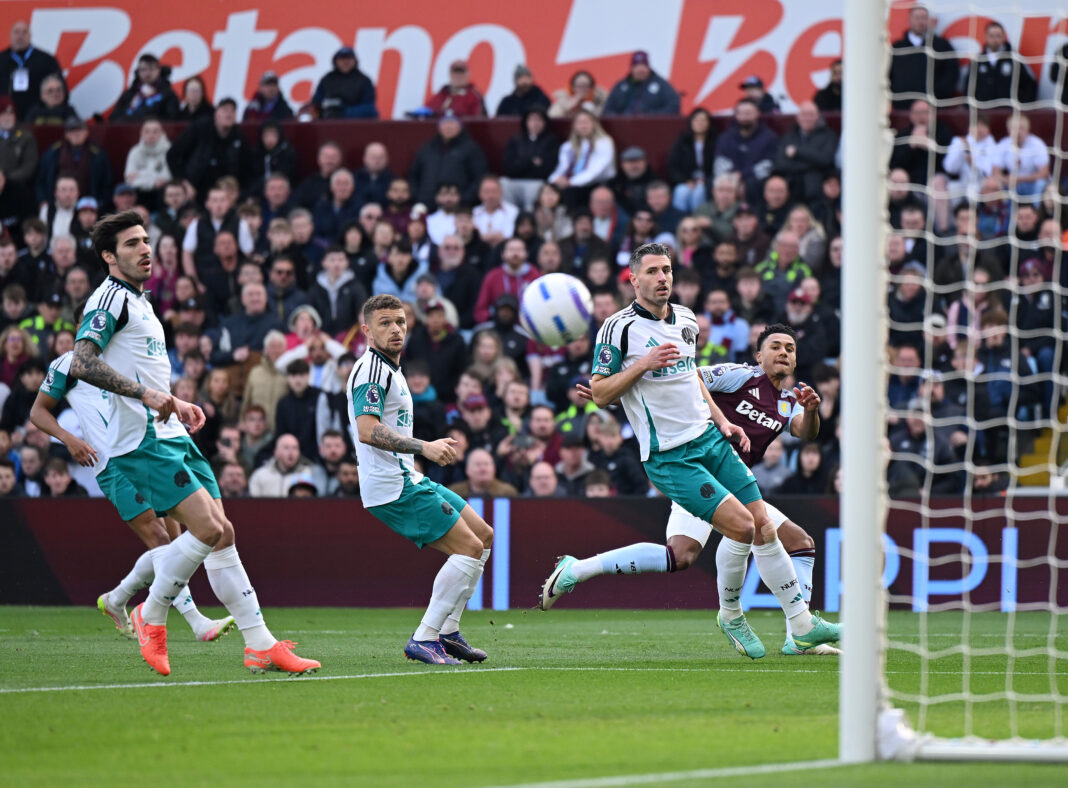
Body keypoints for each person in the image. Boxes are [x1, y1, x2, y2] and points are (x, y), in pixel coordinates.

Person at [539, 243, 841, 660]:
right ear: (634, 279)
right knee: (738, 530)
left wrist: (722, 421)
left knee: (762, 526)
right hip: (670, 455)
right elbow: (602, 393)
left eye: (667, 270)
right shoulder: (618, 328)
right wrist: (641, 366)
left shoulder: (686, 320)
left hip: (711, 441)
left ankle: (803, 628)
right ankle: (731, 615)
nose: (663, 277)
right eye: (653, 271)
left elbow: (691, 380)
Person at [68, 210, 318, 675]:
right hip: (141, 440)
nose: (145, 249)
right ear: (108, 256)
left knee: (222, 532)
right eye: (131, 244)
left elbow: (145, 371)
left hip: (170, 430)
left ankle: (259, 644)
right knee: (205, 530)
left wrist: (178, 402)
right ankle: (150, 612)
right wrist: (147, 395)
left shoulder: (139, 300)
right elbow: (82, 361)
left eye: (146, 240)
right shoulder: (107, 301)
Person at [30, 346, 235, 641]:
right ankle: (196, 622)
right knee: (160, 539)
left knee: (175, 543)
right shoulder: (68, 363)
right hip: (110, 462)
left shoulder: (124, 355)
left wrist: (179, 406)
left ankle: (117, 598)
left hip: (146, 451)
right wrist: (69, 439)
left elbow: (151, 393)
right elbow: (37, 411)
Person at [348, 293, 494, 665]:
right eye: (385, 323)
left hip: (405, 477)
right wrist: (422, 448)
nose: (396, 329)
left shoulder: (390, 367)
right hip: (392, 486)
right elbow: (367, 429)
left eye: (400, 321)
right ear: (366, 330)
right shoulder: (372, 371)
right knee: (469, 549)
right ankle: (425, 637)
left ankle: (449, 633)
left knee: (484, 536)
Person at [167, 98, 253, 198]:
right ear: (216, 113)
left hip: (226, 194)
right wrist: (184, 183)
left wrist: (240, 192)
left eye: (232, 111)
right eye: (225, 110)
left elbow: (247, 169)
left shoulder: (239, 136)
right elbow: (172, 155)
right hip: (196, 189)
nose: (229, 114)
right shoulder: (199, 128)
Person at [408, 113, 487, 207]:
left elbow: (480, 178)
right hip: (427, 205)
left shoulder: (471, 149)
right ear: (439, 127)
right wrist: (419, 197)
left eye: (452, 123)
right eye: (445, 123)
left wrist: (465, 199)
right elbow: (413, 176)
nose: (448, 127)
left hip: (459, 208)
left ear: (460, 127)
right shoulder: (427, 149)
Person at [888, 4, 958, 109]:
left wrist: (937, 94)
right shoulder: (896, 47)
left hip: (934, 109)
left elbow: (951, 74)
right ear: (909, 20)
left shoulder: (942, 46)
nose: (920, 22)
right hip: (901, 109)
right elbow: (888, 75)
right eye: (917, 18)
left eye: (924, 18)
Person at [548, 110, 616, 209]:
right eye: (579, 123)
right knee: (548, 189)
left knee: (570, 193)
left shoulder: (604, 143)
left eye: (586, 122)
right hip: (573, 183)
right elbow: (562, 168)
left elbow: (594, 171)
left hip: (599, 183)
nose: (583, 126)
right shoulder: (568, 146)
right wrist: (554, 179)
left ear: (594, 124)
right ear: (574, 126)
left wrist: (571, 182)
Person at [714, 99, 778, 203]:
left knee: (752, 185)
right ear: (736, 115)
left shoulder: (769, 138)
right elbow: (720, 163)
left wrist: (743, 176)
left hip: (756, 182)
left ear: (757, 114)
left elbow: (769, 165)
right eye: (741, 113)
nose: (744, 117)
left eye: (748, 113)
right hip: (729, 179)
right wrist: (733, 181)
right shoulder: (725, 137)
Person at [772, 101, 837, 205]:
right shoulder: (789, 137)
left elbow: (826, 160)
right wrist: (813, 164)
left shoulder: (829, 136)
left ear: (818, 117)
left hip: (818, 191)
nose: (807, 118)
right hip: (791, 190)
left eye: (811, 115)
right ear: (797, 117)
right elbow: (780, 164)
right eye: (804, 114)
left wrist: (798, 152)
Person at [0, 20, 64, 120]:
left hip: (39, 117)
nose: (20, 36)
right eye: (16, 32)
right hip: (5, 117)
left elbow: (61, 90)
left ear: (30, 36)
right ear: (10, 36)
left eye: (24, 32)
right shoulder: (2, 60)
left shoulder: (46, 60)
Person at [964, 21, 1037, 105]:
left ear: (1004, 37)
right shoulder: (977, 61)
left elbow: (1030, 84)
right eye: (991, 36)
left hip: (1009, 112)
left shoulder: (1014, 59)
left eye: (998, 36)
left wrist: (1023, 108)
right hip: (983, 113)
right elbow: (968, 87)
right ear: (986, 37)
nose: (995, 39)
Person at [500, 107, 559, 212]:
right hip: (515, 181)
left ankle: (529, 220)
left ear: (545, 122)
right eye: (531, 120)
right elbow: (508, 168)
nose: (535, 124)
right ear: (526, 122)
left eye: (539, 120)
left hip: (536, 182)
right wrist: (531, 162)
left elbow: (547, 169)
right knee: (503, 183)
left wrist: (521, 162)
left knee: (536, 188)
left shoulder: (551, 141)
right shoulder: (515, 140)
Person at [667, 108, 716, 214]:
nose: (700, 123)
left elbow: (718, 166)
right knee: (681, 191)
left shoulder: (715, 142)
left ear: (709, 123)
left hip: (707, 182)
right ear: (691, 122)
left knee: (700, 192)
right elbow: (672, 167)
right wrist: (685, 180)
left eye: (703, 120)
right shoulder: (682, 142)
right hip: (686, 181)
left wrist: (706, 180)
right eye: (696, 120)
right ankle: (680, 224)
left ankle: (697, 223)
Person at [603, 51, 680, 116]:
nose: (640, 69)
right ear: (631, 68)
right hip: (623, 128)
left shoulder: (662, 85)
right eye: (637, 66)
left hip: (653, 127)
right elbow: (608, 110)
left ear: (648, 67)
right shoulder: (621, 87)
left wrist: (650, 116)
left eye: (643, 66)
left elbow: (673, 107)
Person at [992, 114, 1050, 199]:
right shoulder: (1003, 145)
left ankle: (1037, 211)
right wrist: (1006, 180)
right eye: (1014, 128)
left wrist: (1020, 179)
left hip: (1031, 183)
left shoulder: (1037, 144)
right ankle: (1006, 212)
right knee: (992, 183)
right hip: (1011, 185)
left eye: (1021, 128)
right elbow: (995, 173)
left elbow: (1044, 174)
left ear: (1028, 130)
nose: (1018, 132)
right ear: (1008, 130)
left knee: (1040, 184)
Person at [110, 53, 179, 122]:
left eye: (151, 69)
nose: (147, 73)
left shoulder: (168, 94)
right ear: (138, 72)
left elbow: (172, 119)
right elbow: (114, 118)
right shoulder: (129, 94)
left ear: (159, 70)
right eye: (143, 69)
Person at [313, 46, 378, 119]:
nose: (345, 62)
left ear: (355, 61)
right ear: (335, 61)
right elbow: (316, 102)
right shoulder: (327, 79)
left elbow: (369, 107)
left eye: (349, 59)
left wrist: (345, 111)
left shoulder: (364, 80)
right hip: (327, 121)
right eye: (342, 59)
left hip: (355, 122)